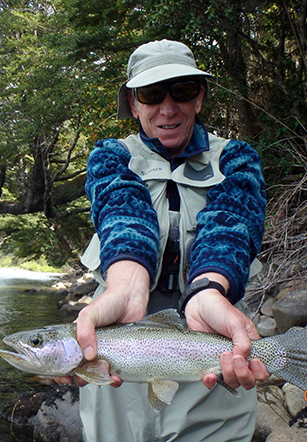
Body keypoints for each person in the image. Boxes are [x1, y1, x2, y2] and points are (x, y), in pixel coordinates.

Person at [67, 39, 269, 441]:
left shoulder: (236, 158)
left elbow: (229, 225)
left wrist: (209, 290)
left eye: (182, 90)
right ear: (134, 102)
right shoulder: (110, 157)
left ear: (200, 96)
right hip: (118, 345)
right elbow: (125, 217)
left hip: (212, 338)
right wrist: (126, 287)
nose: (167, 107)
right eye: (152, 93)